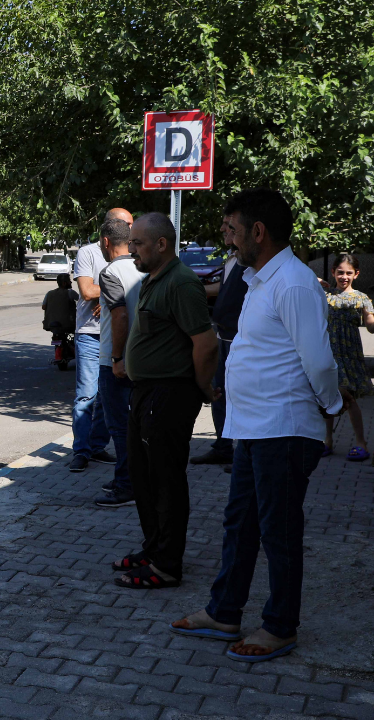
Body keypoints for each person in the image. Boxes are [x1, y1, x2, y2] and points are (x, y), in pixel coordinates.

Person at [171, 189, 342, 663]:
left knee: (279, 532)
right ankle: (225, 611)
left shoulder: (293, 282)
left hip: (283, 431)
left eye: (231, 230)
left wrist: (330, 409)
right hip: (254, 428)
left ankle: (280, 627)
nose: (228, 239)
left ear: (258, 232)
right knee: (240, 524)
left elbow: (319, 362)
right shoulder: (259, 278)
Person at [112, 212, 217, 590]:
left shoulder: (182, 283)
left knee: (166, 481)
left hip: (169, 394)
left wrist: (204, 390)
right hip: (146, 393)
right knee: (143, 478)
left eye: (138, 242)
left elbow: (205, 345)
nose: (131, 248)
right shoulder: (154, 279)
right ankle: (153, 549)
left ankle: (167, 565)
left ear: (161, 244)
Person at [68, 208, 133, 471]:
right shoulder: (88, 252)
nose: (130, 229)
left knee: (108, 397)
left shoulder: (133, 251)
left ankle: (97, 446)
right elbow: (85, 291)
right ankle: (81, 451)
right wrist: (111, 295)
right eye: (125, 224)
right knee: (87, 396)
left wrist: (105, 297)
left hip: (117, 335)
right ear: (109, 229)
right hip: (90, 335)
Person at [94, 219, 145, 508]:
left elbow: (120, 315)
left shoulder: (111, 271)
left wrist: (116, 358)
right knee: (133, 425)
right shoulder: (142, 267)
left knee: (120, 428)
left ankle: (127, 486)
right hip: (141, 357)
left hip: (117, 361)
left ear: (105, 242)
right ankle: (126, 476)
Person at [191, 219, 248, 467]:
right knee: (219, 393)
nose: (223, 229)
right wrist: (193, 289)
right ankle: (223, 446)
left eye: (228, 226)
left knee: (241, 395)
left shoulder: (250, 262)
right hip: (222, 335)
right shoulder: (231, 259)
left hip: (240, 338)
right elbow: (221, 289)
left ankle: (245, 453)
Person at [323, 254, 374, 460]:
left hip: (350, 354)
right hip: (328, 353)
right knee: (328, 398)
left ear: (356, 274)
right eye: (340, 272)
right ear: (333, 272)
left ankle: (361, 443)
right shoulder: (325, 295)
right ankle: (326, 441)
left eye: (349, 273)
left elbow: (370, 324)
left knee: (348, 398)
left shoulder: (361, 298)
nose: (344, 276)